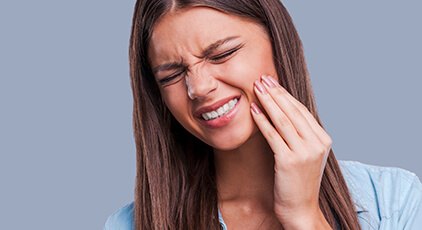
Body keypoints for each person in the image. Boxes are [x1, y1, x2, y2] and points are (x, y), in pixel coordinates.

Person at [104, 0, 422, 229]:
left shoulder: (392, 201)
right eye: (171, 75)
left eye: (222, 54)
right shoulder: (129, 225)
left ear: (278, 44)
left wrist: (303, 216)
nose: (198, 88)